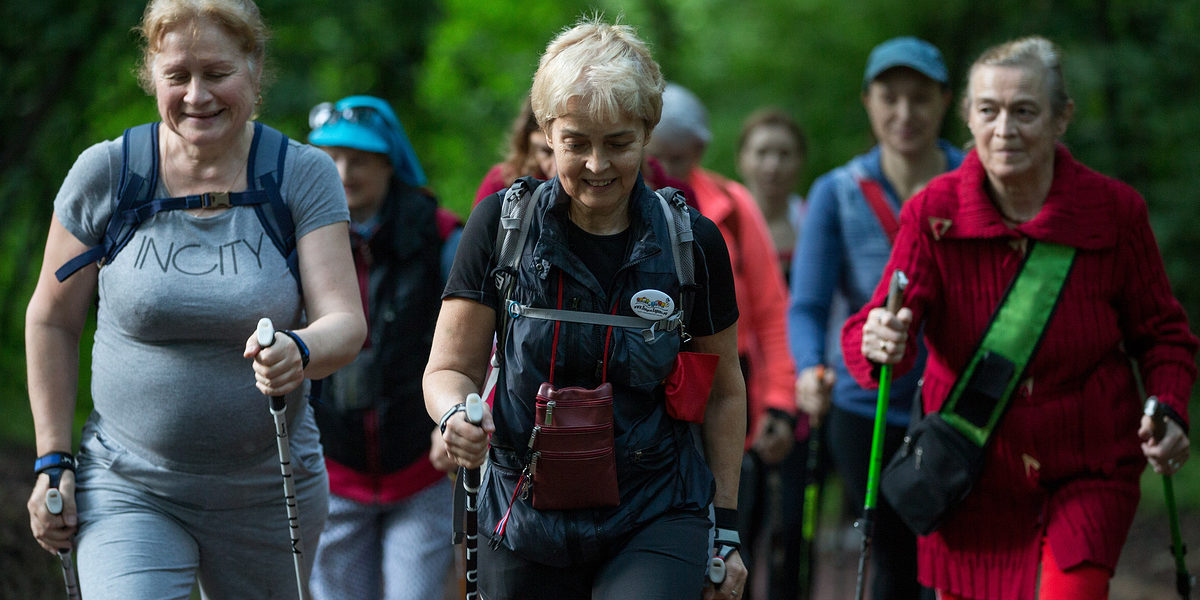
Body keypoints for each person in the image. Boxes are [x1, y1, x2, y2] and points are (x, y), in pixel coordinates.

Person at [24, 1, 366, 598]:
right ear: (151, 75)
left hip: (268, 488)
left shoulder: (301, 176)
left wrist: (300, 349)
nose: (197, 95)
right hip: (128, 485)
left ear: (254, 68)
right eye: (177, 75)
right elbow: (52, 319)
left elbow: (344, 321)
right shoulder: (108, 174)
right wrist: (52, 460)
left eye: (217, 72)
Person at [846, 36, 1196, 599]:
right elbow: (882, 326)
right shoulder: (933, 213)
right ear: (968, 117)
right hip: (965, 477)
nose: (1004, 129)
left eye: (1025, 111)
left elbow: (1163, 336)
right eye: (988, 110)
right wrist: (879, 338)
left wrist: (1169, 406)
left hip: (1088, 470)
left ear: (1062, 118)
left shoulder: (1115, 212)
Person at [424, 17, 748, 600]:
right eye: (577, 143)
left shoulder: (691, 244)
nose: (598, 165)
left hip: (655, 507)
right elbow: (449, 368)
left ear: (648, 132)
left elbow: (725, 391)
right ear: (547, 132)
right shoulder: (500, 228)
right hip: (521, 510)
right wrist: (454, 417)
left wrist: (725, 531)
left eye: (618, 143)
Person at [788, 36, 963, 600]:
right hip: (866, 405)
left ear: (945, 101)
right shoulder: (836, 193)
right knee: (892, 563)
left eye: (921, 97)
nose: (904, 113)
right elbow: (809, 304)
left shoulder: (977, 182)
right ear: (868, 101)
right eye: (890, 97)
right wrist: (809, 367)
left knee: (961, 563)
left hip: (960, 406)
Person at [305, 95, 462, 600]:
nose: (344, 173)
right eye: (332, 158)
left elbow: (478, 341)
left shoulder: (442, 238)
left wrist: (455, 416)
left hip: (422, 468)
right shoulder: (299, 239)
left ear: (389, 163)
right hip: (332, 469)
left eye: (360, 159)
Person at [646, 83, 798, 598]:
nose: (666, 168)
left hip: (727, 390)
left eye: (679, 158)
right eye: (658, 156)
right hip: (654, 397)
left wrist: (778, 402)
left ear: (701, 150)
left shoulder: (731, 205)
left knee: (732, 547)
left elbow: (773, 313)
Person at [737, 108, 808, 282]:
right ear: (741, 159)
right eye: (762, 153)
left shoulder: (812, 220)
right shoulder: (724, 221)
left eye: (784, 154)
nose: (773, 166)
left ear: (800, 161)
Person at [474, 95, 557, 204]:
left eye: (573, 147)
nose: (556, 167)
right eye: (546, 152)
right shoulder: (501, 181)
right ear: (527, 143)